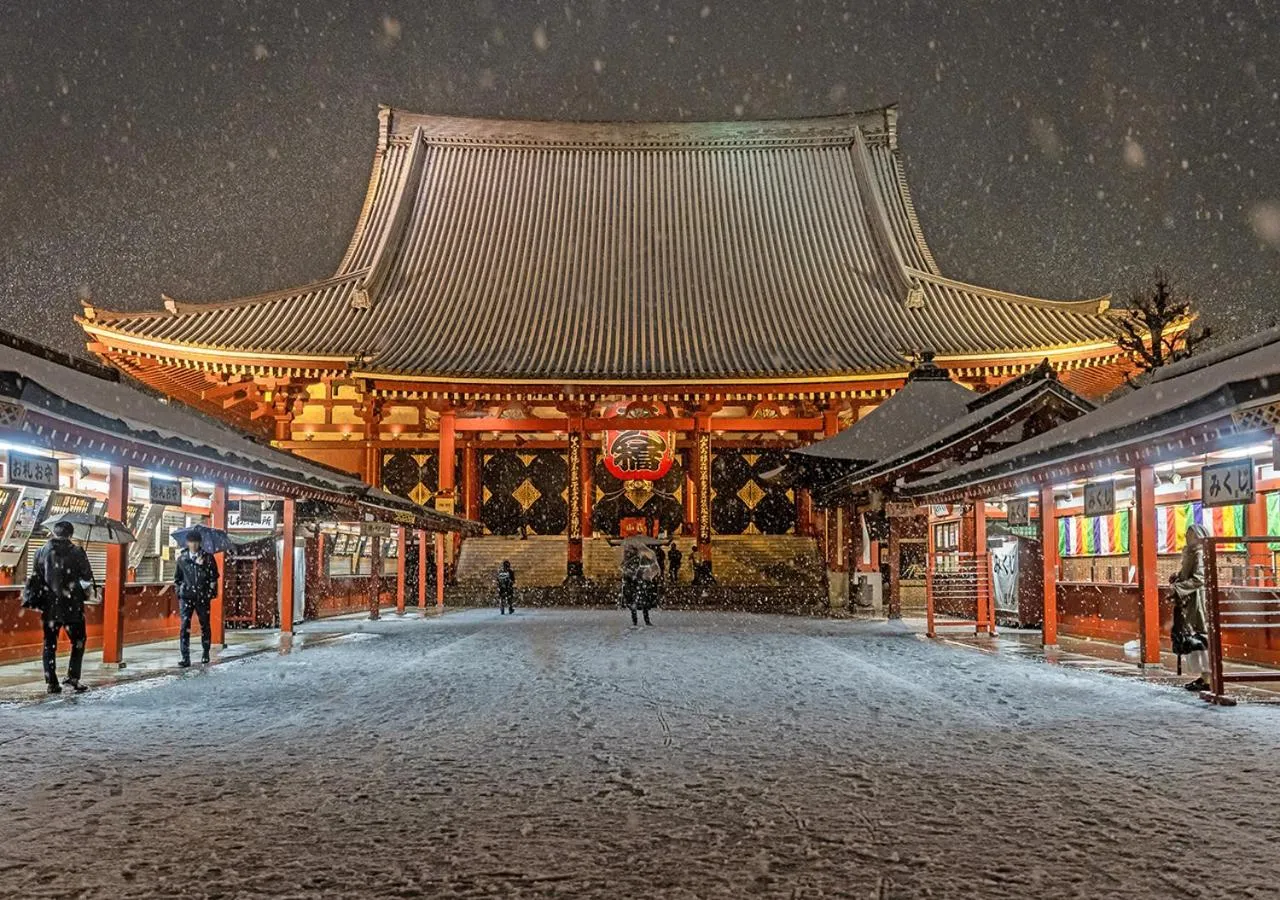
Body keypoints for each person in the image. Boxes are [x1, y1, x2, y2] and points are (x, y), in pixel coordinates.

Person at [26, 521, 94, 694]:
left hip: (50, 606)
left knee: (49, 644)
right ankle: (73, 677)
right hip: (73, 605)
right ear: (70, 534)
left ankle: (51, 682)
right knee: (78, 641)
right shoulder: (77, 551)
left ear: (54, 533)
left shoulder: (40, 551)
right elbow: (87, 577)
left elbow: (36, 578)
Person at [1170, 523, 1211, 691]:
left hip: (1197, 600)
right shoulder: (1191, 553)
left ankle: (1207, 677)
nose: (1187, 537)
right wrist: (1178, 576)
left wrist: (1178, 588)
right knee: (1193, 636)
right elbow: (1189, 574)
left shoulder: (1199, 554)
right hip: (1189, 600)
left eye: (1190, 534)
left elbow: (1199, 578)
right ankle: (1203, 676)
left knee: (1200, 634)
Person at [174, 531, 219, 667]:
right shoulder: (182, 559)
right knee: (184, 626)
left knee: (204, 624)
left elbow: (214, 577)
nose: (193, 545)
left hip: (202, 596)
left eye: (196, 542)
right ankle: (185, 657)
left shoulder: (208, 558)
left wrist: (202, 567)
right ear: (187, 543)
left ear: (200, 543)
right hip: (186, 597)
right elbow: (177, 578)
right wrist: (179, 592)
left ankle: (205, 652)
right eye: (191, 542)